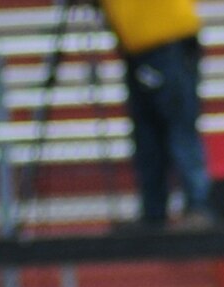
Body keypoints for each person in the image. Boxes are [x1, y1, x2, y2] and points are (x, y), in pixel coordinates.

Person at [92, 0, 214, 227]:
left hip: (167, 39)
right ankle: (154, 210)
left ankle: (198, 205)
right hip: (138, 45)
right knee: (146, 135)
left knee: (179, 126)